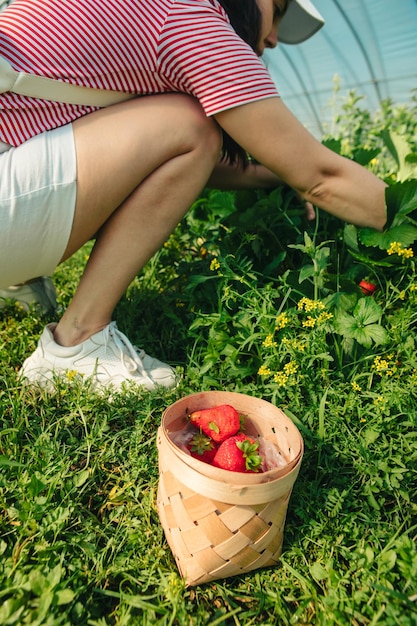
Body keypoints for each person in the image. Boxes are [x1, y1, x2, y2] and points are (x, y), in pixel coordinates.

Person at [0, 0, 387, 392]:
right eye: (279, 11)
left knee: (184, 130)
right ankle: (76, 343)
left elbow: (168, 158)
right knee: (193, 125)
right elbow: (320, 177)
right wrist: (403, 213)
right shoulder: (186, 14)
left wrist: (281, 176)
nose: (273, 39)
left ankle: (18, 281)